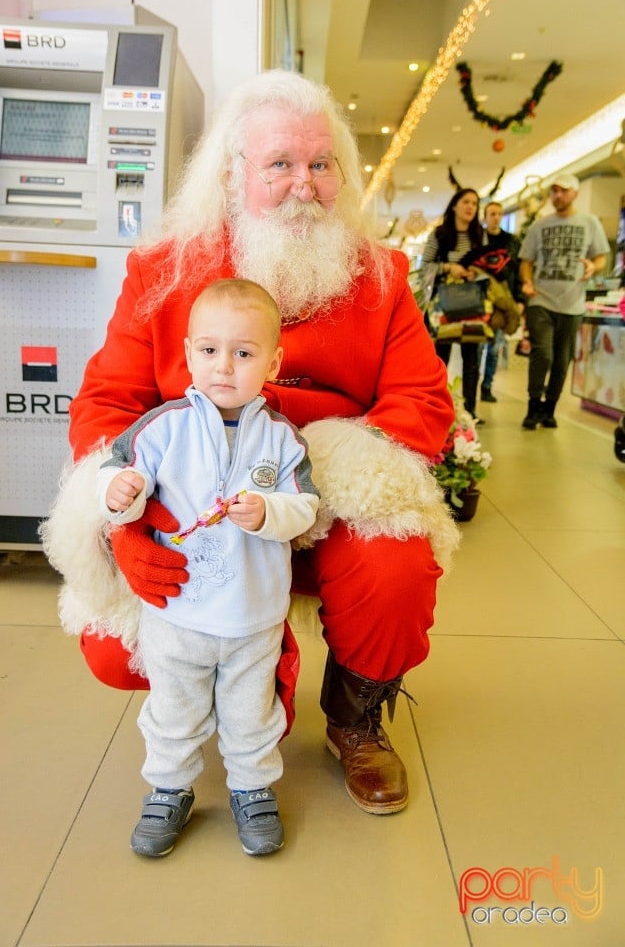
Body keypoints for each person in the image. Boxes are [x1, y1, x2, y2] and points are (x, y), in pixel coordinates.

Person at [41, 69, 460, 822]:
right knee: (111, 649)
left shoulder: (382, 276)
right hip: (193, 505)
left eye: (322, 163)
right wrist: (123, 521)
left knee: (396, 565)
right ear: (235, 176)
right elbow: (108, 403)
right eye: (279, 164)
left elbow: (422, 402)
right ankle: (231, 684)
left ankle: (353, 717)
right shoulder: (164, 270)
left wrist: (307, 480)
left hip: (323, 495)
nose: (304, 183)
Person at [98, 278, 319, 857]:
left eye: (244, 353)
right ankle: (168, 788)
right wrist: (122, 491)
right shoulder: (162, 427)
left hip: (253, 616)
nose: (225, 367)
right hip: (178, 612)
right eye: (210, 350)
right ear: (188, 352)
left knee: (252, 712)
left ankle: (253, 789)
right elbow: (120, 473)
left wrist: (270, 512)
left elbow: (305, 507)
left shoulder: (282, 441)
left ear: (273, 360)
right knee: (174, 708)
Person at [519, 174, 609, 429]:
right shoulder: (539, 226)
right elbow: (526, 261)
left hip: (573, 303)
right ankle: (533, 404)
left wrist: (594, 265)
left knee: (562, 359)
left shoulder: (589, 223)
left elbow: (601, 258)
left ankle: (550, 407)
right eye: (554, 191)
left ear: (575, 193)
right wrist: (527, 281)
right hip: (541, 300)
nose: (558, 195)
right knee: (543, 354)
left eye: (563, 191)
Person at [421, 188, 485, 421]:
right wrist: (449, 267)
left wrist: (475, 272)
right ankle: (441, 409)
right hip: (443, 305)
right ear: (455, 205)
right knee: (440, 360)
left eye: (475, 204)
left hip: (471, 304)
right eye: (466, 202)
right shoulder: (440, 234)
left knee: (472, 360)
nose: (470, 207)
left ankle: (469, 411)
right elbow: (425, 266)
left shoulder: (480, 235)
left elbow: (486, 266)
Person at [461, 200, 523, 403]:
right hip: (479, 300)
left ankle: (487, 385)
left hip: (503, 300)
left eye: (499, 213)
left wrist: (519, 300)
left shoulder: (511, 243)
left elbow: (518, 273)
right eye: (492, 213)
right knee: (477, 347)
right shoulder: (478, 241)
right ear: (485, 217)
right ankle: (473, 390)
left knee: (495, 347)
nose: (496, 217)